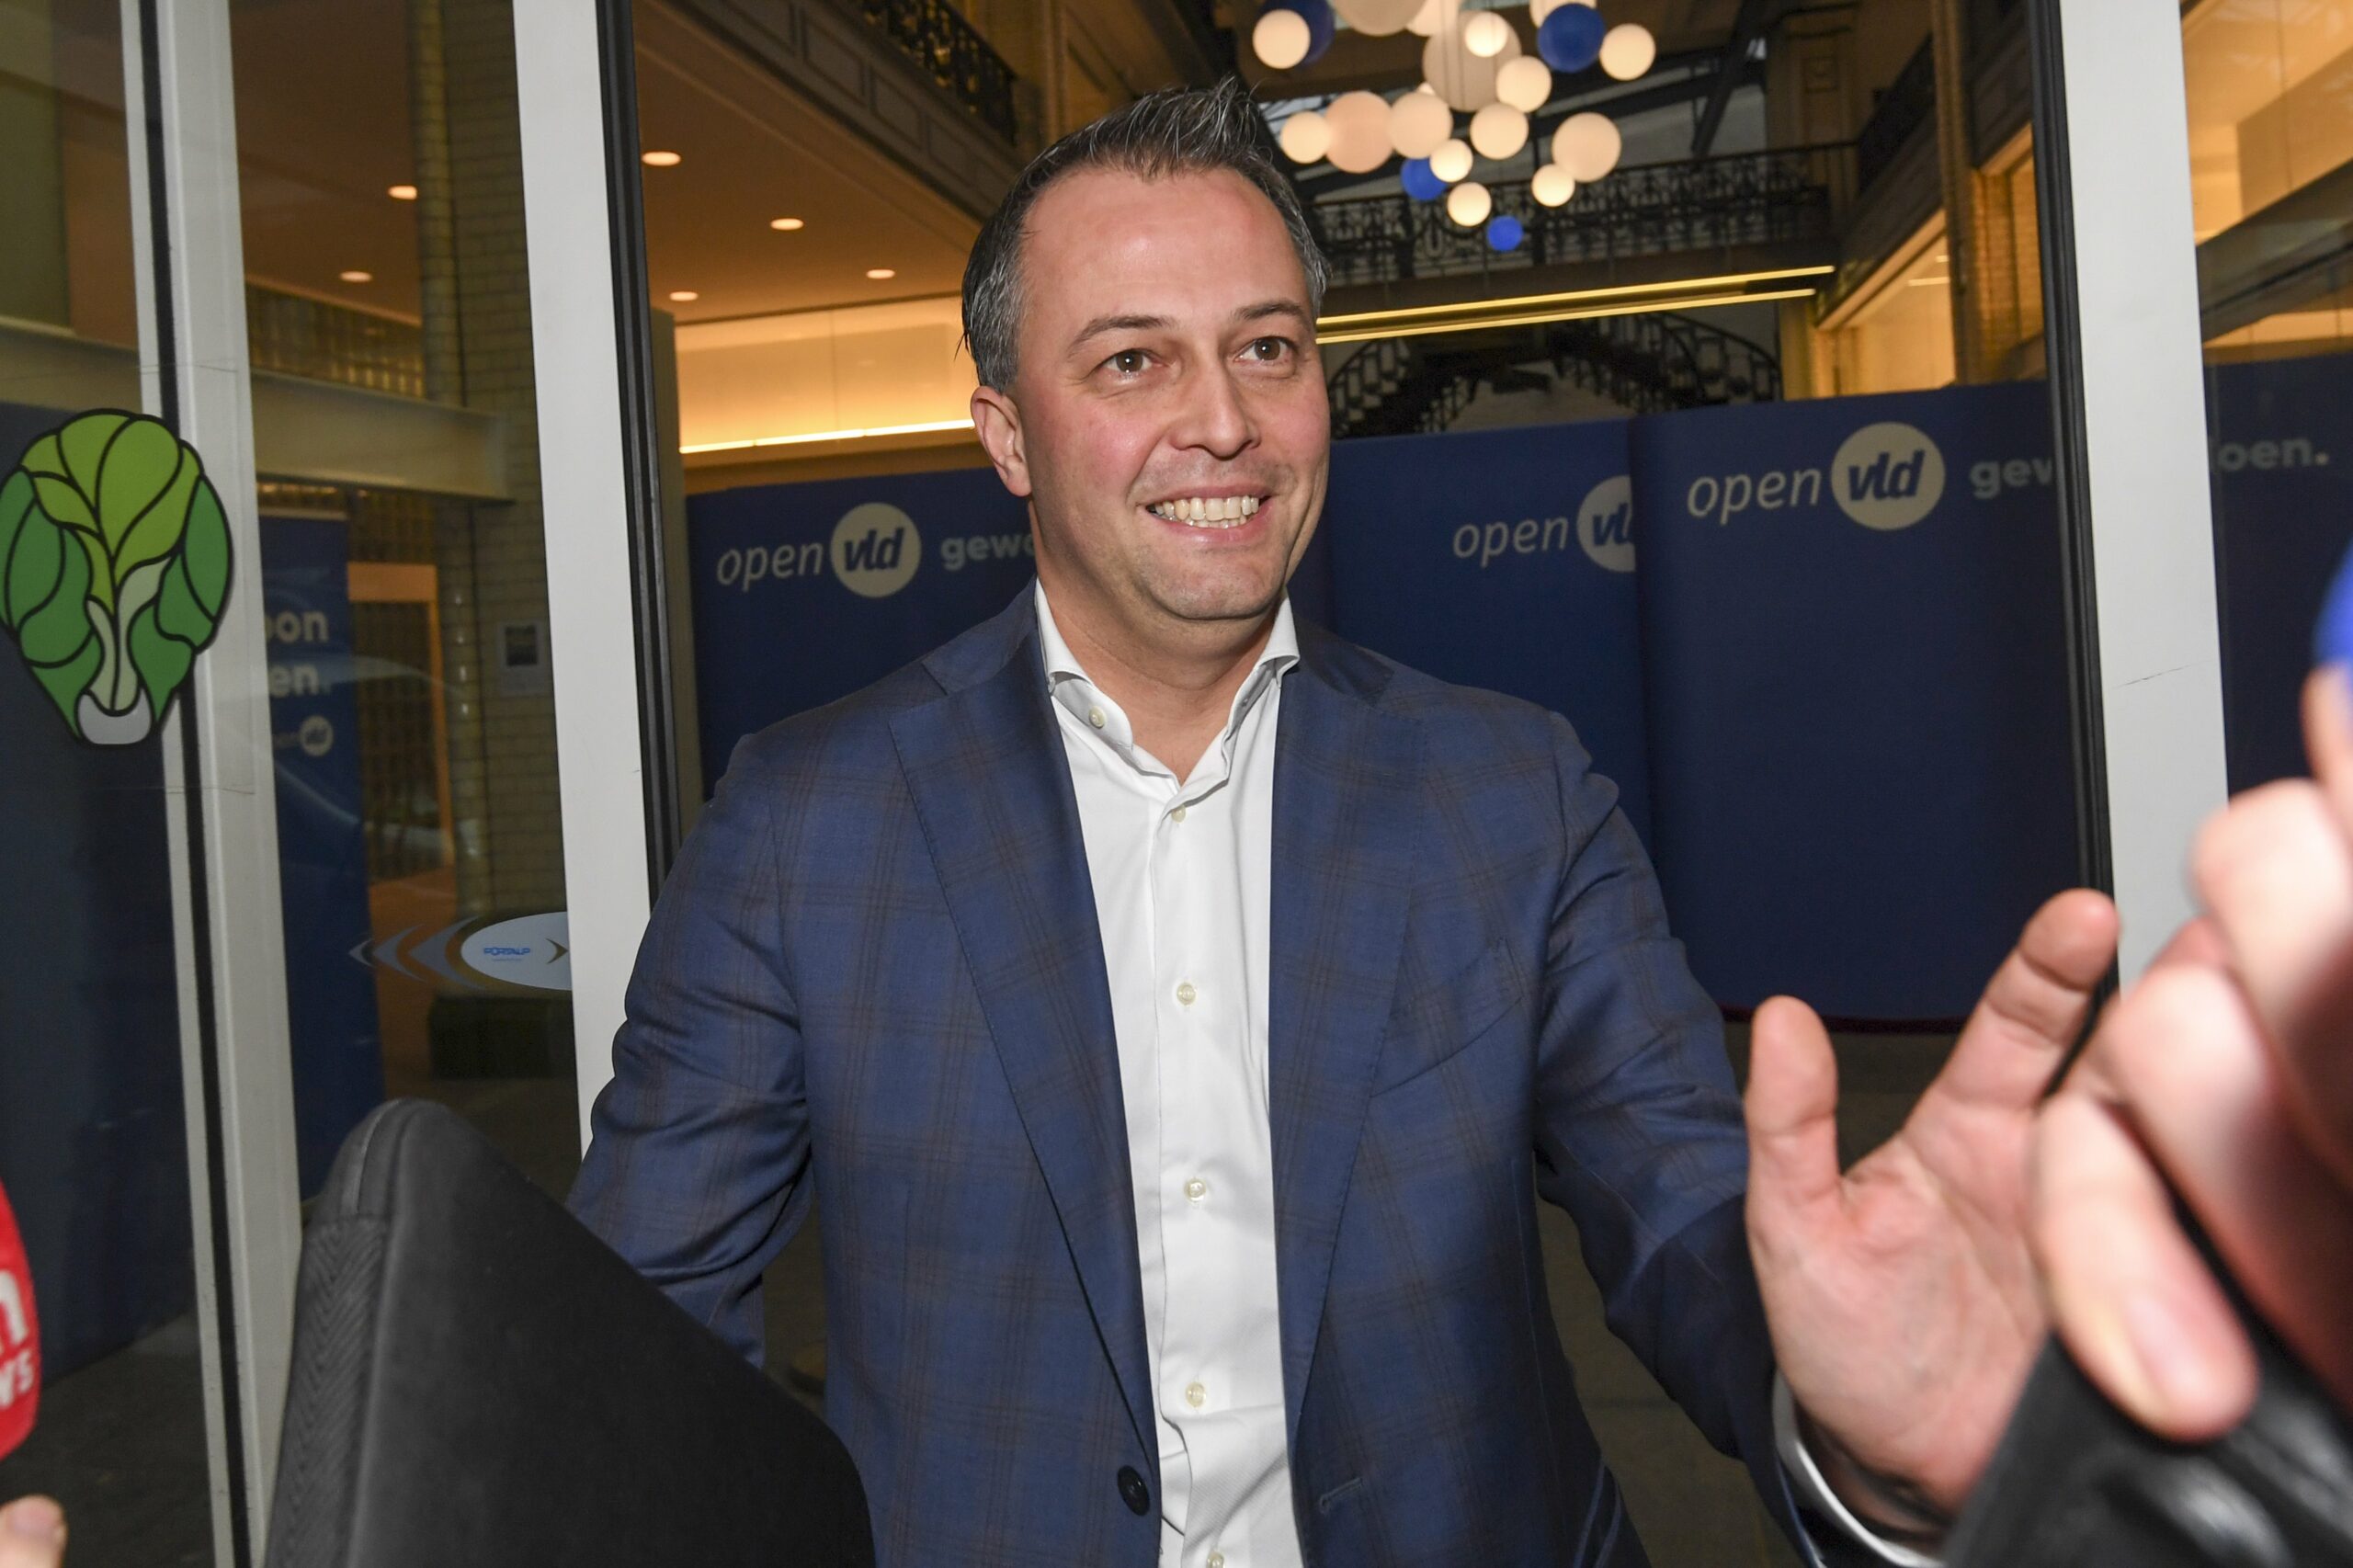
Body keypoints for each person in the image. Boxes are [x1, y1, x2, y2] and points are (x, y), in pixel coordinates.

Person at [571, 78, 2349, 1567]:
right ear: (1009, 435)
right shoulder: (807, 824)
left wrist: (1865, 1413)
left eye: (1268, 348)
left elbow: (1686, 1209)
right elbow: (633, 1333)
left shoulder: (1510, 795)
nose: (1222, 420)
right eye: (1131, 363)